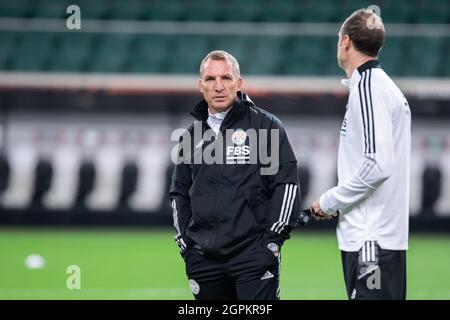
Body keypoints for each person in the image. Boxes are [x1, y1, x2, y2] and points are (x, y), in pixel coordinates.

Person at [169, 50, 301, 300]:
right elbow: (179, 193)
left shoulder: (265, 126)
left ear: (238, 84)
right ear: (201, 86)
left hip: (253, 255)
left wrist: (271, 242)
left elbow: (286, 186)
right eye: (210, 79)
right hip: (203, 259)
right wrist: (186, 246)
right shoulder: (190, 137)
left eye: (226, 78)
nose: (218, 86)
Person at [310, 9, 411, 300]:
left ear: (345, 41)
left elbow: (378, 164)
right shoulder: (381, 87)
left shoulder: (368, 87)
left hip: (371, 239)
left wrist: (330, 201)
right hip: (380, 239)